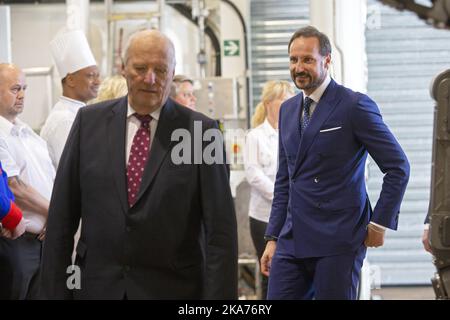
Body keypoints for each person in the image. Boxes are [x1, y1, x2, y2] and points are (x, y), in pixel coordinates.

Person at [40, 29, 238, 300]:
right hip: (98, 288)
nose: (150, 78)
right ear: (123, 68)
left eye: (160, 69)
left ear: (173, 72)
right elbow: (62, 219)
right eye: (141, 68)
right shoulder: (89, 123)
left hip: (174, 289)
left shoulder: (201, 133)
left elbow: (221, 234)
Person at [260, 26, 410, 300]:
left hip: (338, 239)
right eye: (293, 60)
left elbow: (398, 167)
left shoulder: (354, 106)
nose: (298, 67)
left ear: (327, 61)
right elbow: (285, 179)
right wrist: (273, 238)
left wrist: (379, 223)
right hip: (292, 238)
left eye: (307, 59)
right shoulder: (288, 109)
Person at [0, 63, 56, 299]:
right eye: (15, 89)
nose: (22, 95)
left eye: (24, 88)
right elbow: (15, 187)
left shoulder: (28, 134)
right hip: (16, 242)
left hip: (42, 241)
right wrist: (55, 213)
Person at [243, 80, 294, 299]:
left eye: (290, 98)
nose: (288, 103)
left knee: (292, 274)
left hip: (292, 216)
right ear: (268, 103)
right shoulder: (255, 137)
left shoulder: (294, 133)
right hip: (264, 217)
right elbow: (253, 174)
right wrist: (282, 197)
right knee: (270, 273)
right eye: (283, 98)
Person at [40, 29, 100, 169]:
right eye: (91, 76)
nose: (98, 81)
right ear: (71, 80)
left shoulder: (77, 113)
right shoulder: (65, 120)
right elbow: (71, 170)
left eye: (98, 75)